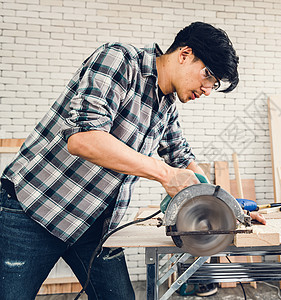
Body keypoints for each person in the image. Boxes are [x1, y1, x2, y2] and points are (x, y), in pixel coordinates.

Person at [0, 21, 264, 299]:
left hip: (95, 225)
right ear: (185, 54)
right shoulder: (120, 61)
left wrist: (230, 210)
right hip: (34, 211)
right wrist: (164, 174)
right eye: (208, 76)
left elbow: (182, 158)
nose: (208, 89)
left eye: (214, 84)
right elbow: (83, 138)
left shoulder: (167, 106)